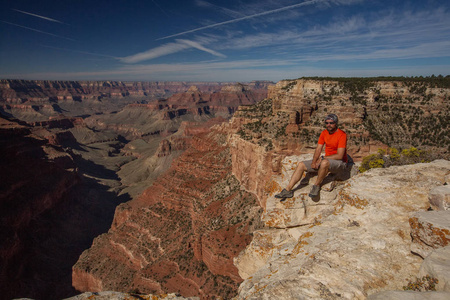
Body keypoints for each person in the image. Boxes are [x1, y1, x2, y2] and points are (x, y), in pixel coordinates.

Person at [275, 113, 348, 199]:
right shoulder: (324, 133)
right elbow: (318, 149)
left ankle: (316, 185)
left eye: (331, 123)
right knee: (301, 165)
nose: (329, 125)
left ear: (336, 123)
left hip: (340, 163)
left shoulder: (342, 135)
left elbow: (340, 156)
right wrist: (314, 161)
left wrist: (323, 158)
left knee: (324, 163)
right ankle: (288, 190)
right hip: (327, 160)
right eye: (327, 123)